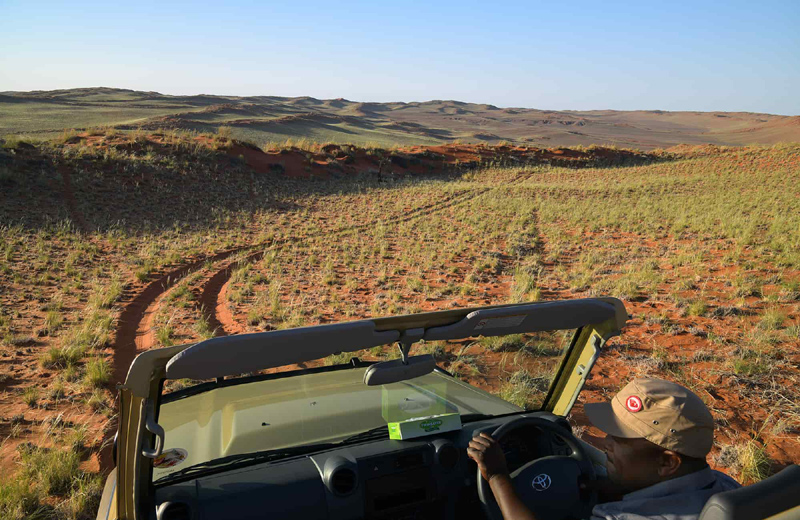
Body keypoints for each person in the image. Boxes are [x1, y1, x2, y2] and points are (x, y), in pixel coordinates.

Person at [468, 377, 740, 520]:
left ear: (668, 463)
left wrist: (497, 477)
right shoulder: (729, 489)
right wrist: (611, 488)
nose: (604, 442)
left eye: (619, 440)